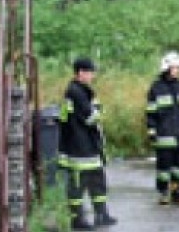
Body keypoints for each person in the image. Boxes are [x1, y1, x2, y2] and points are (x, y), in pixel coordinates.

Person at [58, 58, 117, 230]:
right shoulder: (76, 92)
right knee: (78, 185)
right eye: (90, 72)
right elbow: (91, 117)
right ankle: (77, 220)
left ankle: (101, 215)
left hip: (86, 145)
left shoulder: (79, 91)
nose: (93, 75)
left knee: (97, 180)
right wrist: (98, 108)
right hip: (79, 148)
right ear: (81, 73)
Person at [146, 51, 179, 205]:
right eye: (175, 68)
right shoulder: (156, 87)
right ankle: (163, 193)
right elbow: (151, 112)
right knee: (164, 168)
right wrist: (152, 130)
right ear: (166, 68)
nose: (178, 70)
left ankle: (176, 192)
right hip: (164, 136)